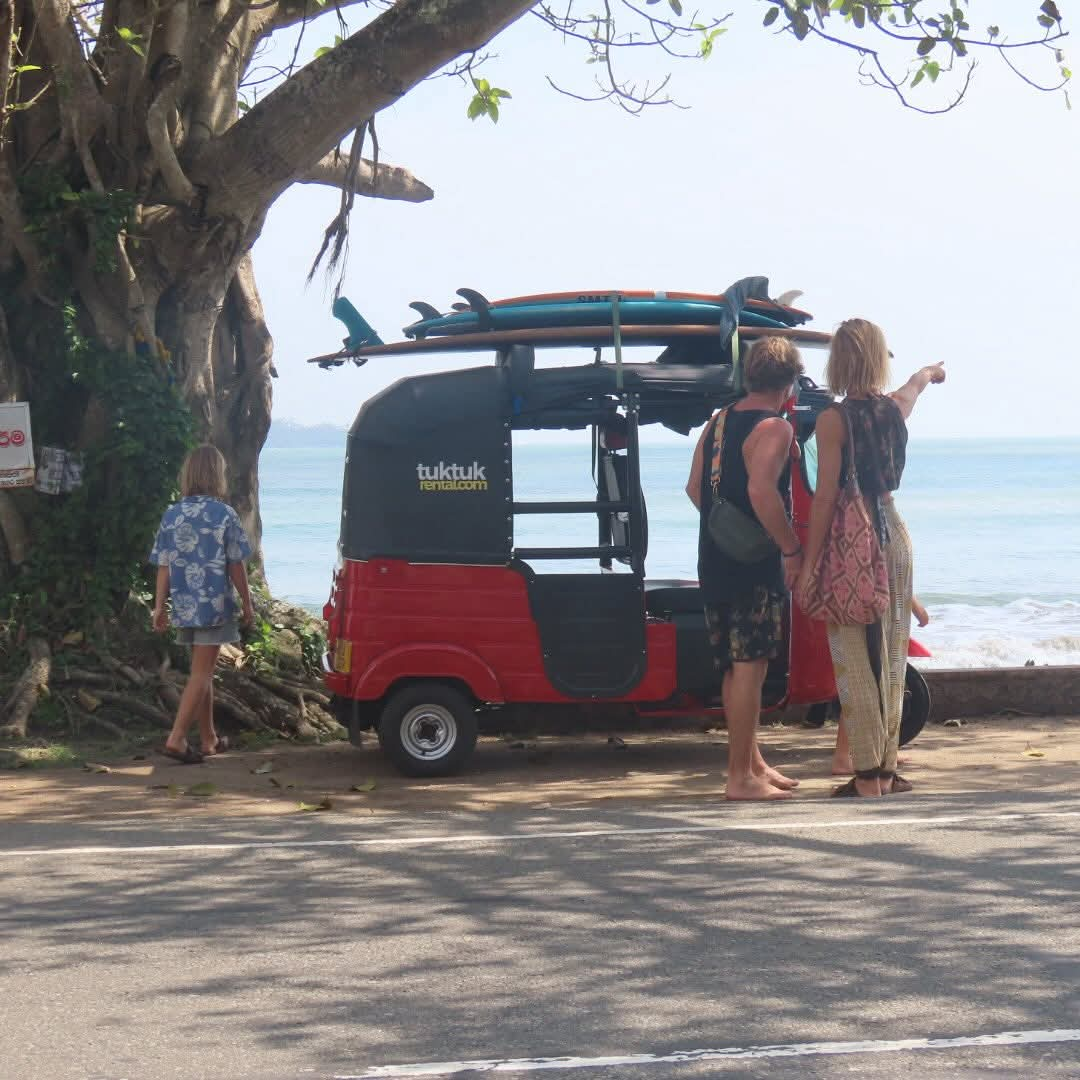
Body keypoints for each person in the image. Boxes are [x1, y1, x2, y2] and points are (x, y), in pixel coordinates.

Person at [795, 318, 945, 797]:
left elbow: (825, 497)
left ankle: (865, 775)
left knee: (853, 654)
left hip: (851, 540)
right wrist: (928, 373)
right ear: (880, 359)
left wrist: (811, 562)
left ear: (837, 361)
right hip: (893, 531)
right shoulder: (894, 409)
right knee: (892, 652)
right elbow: (913, 387)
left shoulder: (833, 420)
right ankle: (886, 768)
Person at [686, 336, 805, 801]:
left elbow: (696, 489)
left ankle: (752, 761)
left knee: (734, 669)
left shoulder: (717, 423)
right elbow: (762, 493)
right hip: (754, 563)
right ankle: (740, 778)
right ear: (789, 384)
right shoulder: (775, 427)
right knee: (751, 666)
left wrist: (725, 527)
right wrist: (789, 548)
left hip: (713, 558)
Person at [151, 444, 254, 764]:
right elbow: (236, 565)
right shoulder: (224, 514)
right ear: (216, 475)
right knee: (202, 674)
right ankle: (177, 738)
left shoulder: (173, 513)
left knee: (202, 671)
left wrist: (159, 607)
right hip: (214, 605)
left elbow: (164, 565)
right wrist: (248, 604)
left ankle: (208, 739)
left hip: (184, 605)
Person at [830, 595, 928, 776]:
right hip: (866, 600)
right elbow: (884, 567)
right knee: (863, 678)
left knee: (877, 678)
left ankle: (879, 751)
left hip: (875, 600)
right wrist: (915, 606)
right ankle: (844, 756)